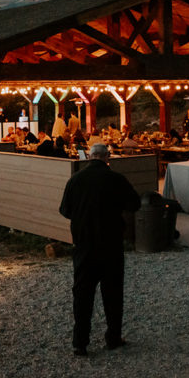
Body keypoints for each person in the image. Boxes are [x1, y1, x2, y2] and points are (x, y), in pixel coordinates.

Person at [59, 143, 141, 357]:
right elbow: (135, 204)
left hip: (84, 245)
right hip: (111, 244)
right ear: (107, 157)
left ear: (89, 157)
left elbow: (65, 210)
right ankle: (113, 337)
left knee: (82, 294)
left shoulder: (75, 180)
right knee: (113, 294)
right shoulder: (116, 179)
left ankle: (80, 342)